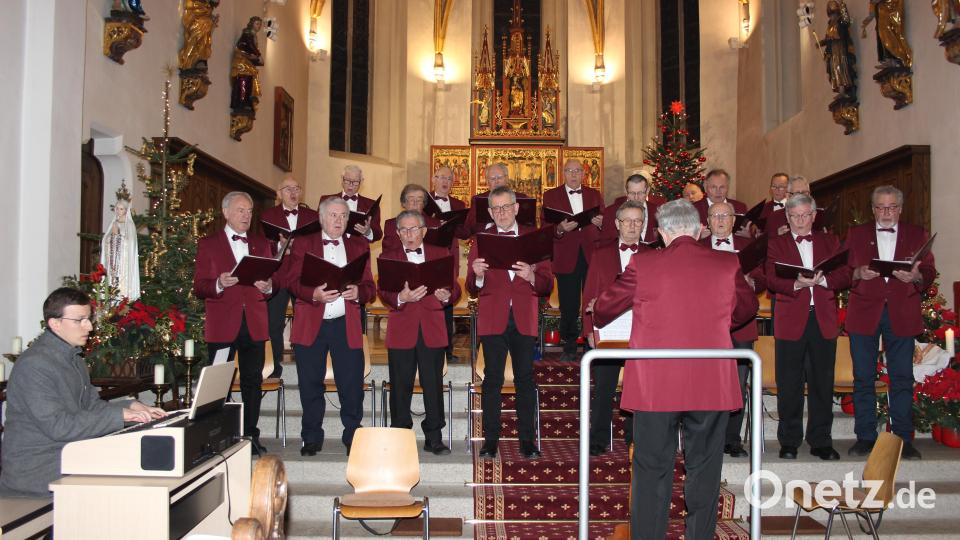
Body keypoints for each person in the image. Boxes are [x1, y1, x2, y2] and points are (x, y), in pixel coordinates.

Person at [592, 199, 758, 540]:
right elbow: (745, 312)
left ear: (662, 232)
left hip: (657, 384)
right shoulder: (728, 264)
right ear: (698, 230)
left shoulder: (643, 263)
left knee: (652, 470)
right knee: (705, 469)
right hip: (709, 382)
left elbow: (605, 308)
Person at [0, 287, 166, 497]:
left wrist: (129, 406)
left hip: (67, 453)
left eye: (89, 319)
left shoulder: (74, 359)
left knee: (139, 461)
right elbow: (59, 426)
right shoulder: (34, 365)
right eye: (80, 320)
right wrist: (120, 415)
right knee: (128, 467)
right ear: (55, 324)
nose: (89, 326)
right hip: (37, 468)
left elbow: (92, 407)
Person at [845, 186, 934, 460]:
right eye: (881, 207)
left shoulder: (916, 234)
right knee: (863, 377)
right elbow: (840, 271)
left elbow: (929, 271)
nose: (886, 212)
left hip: (902, 311)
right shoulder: (855, 235)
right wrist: (858, 272)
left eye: (892, 207)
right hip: (864, 311)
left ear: (900, 208)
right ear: (872, 210)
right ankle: (865, 437)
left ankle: (903, 439)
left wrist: (916, 278)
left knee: (902, 378)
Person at [467, 186, 554, 460]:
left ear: (516, 208)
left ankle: (526, 441)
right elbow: (471, 287)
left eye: (506, 207)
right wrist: (477, 275)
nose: (502, 212)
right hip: (493, 317)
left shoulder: (534, 237)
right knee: (492, 379)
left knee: (525, 380)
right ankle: (490, 440)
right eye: (496, 208)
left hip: (524, 318)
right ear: (490, 211)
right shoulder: (482, 240)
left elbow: (546, 283)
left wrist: (531, 275)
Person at [285, 197, 375, 456]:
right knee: (310, 383)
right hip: (311, 324)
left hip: (345, 324)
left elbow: (370, 288)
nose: (338, 220)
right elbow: (291, 282)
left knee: (352, 384)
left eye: (343, 216)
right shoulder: (304, 243)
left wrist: (358, 292)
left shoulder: (359, 245)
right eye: (333, 215)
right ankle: (311, 436)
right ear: (322, 218)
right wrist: (314, 294)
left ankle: (352, 435)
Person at [765, 194, 851, 461]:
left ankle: (821, 440)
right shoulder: (777, 244)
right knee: (789, 383)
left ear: (814, 216)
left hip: (822, 319)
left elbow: (846, 273)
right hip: (791, 319)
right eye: (794, 216)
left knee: (822, 383)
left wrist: (825, 281)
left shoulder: (830, 241)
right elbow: (770, 277)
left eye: (805, 215)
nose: (800, 221)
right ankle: (789, 441)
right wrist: (796, 285)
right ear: (787, 218)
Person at [193, 191, 274, 455]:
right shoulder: (209, 244)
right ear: (226, 212)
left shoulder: (262, 244)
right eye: (241, 210)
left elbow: (272, 283)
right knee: (219, 383)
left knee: (253, 381)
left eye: (250, 211)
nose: (246, 216)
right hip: (222, 324)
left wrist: (269, 286)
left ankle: (251, 435)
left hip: (254, 322)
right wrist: (219, 283)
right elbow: (199, 286)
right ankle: (221, 435)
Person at [378, 210, 460, 455]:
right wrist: (400, 297)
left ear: (424, 231)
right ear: (398, 233)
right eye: (403, 230)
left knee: (433, 385)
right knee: (400, 386)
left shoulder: (440, 253)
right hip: (402, 327)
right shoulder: (388, 256)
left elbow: (454, 288)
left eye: (414, 229)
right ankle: (401, 437)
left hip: (432, 327)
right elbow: (383, 291)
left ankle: (434, 437)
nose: (409, 234)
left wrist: (447, 295)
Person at [581, 200, 648, 456]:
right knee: (604, 387)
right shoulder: (601, 253)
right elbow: (589, 293)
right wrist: (589, 330)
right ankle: (597, 439)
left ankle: (635, 438)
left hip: (640, 332)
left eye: (637, 221)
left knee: (638, 387)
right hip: (608, 331)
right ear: (617, 224)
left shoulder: (652, 255)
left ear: (643, 225)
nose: (632, 225)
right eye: (627, 220)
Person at [701, 202, 767, 457]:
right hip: (706, 328)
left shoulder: (747, 247)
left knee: (738, 384)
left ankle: (732, 438)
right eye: (715, 215)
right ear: (707, 221)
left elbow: (763, 277)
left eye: (725, 215)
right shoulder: (698, 248)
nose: (720, 220)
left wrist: (753, 282)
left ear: (733, 220)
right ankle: (707, 436)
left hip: (741, 327)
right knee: (707, 383)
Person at [542, 159, 604, 362]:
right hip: (565, 255)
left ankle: (590, 344)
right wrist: (559, 229)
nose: (574, 174)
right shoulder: (550, 195)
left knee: (591, 302)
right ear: (563, 173)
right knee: (568, 304)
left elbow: (606, 224)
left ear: (584, 173)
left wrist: (601, 223)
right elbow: (544, 228)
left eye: (578, 170)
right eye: (569, 170)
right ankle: (568, 345)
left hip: (591, 255)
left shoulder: (594, 194)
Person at [261, 176, 319, 378]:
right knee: (273, 322)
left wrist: (301, 247)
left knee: (307, 319)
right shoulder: (268, 215)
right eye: (288, 189)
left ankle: (310, 361)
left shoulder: (313, 216)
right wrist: (281, 246)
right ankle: (274, 367)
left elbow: (320, 243)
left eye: (297, 188)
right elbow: (261, 246)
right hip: (278, 274)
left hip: (304, 274)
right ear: (279, 193)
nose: (293, 193)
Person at [430, 166, 469, 363]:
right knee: (428, 303)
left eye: (449, 178)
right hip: (427, 258)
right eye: (441, 177)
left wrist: (454, 225)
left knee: (447, 305)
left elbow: (464, 233)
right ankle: (430, 348)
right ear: (433, 179)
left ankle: (447, 351)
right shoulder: (425, 201)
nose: (445, 181)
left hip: (448, 258)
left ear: (453, 183)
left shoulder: (458, 204)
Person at [319, 165, 382, 242]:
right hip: (333, 248)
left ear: (361, 182)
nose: (351, 185)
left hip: (360, 250)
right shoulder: (326, 200)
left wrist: (368, 232)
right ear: (342, 180)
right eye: (347, 180)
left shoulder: (371, 204)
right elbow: (317, 226)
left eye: (355, 182)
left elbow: (378, 234)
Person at [464, 163, 529, 236]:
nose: (496, 181)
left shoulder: (521, 198)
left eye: (499, 177)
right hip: (487, 238)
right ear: (487, 182)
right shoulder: (477, 199)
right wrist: (492, 227)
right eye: (492, 179)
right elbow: (470, 227)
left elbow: (530, 224)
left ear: (507, 178)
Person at [596, 172, 661, 245]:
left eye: (640, 193)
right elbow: (605, 242)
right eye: (632, 193)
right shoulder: (611, 211)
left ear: (647, 191)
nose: (636, 198)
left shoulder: (657, 210)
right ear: (626, 192)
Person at [100, 186, 140, 300]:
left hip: (123, 263)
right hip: (112, 262)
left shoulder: (129, 225)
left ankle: (122, 300)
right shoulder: (113, 223)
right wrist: (111, 238)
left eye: (121, 209)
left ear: (126, 210)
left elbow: (130, 244)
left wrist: (118, 236)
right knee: (111, 282)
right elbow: (106, 241)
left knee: (121, 285)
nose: (118, 211)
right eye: (117, 208)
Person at [382, 184, 439, 254]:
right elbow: (388, 253)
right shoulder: (391, 224)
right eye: (411, 199)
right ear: (403, 203)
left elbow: (438, 252)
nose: (415, 203)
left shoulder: (435, 224)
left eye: (419, 200)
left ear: (424, 204)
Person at [758, 172, 790, 237]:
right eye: (774, 186)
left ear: (788, 189)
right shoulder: (763, 208)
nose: (777, 190)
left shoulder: (793, 207)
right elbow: (760, 234)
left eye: (781, 187)